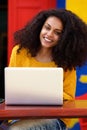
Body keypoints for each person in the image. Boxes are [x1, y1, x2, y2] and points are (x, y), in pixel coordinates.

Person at [1, 8, 87, 130]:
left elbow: (68, 98)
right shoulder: (20, 51)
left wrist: (40, 92)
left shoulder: (66, 61)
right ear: (39, 27)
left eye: (57, 33)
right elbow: (12, 88)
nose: (49, 34)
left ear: (65, 38)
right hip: (20, 116)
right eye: (47, 28)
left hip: (53, 118)